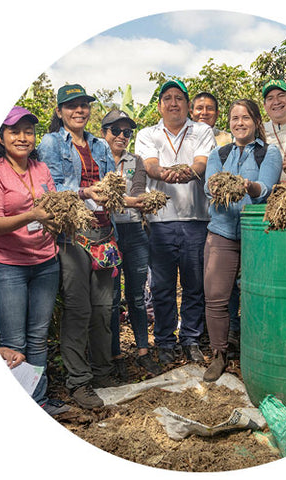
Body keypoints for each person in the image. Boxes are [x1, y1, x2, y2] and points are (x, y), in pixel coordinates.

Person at [38, 84, 125, 409]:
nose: (79, 111)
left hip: (104, 234)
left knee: (104, 309)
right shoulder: (50, 143)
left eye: (84, 105)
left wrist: (120, 194)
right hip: (73, 235)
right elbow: (52, 187)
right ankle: (79, 382)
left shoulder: (99, 144)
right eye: (71, 106)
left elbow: (110, 182)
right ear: (60, 111)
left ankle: (103, 372)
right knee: (78, 309)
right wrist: (85, 193)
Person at [0, 105, 65, 416]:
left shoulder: (40, 169)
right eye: (15, 131)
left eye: (28, 131)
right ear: (1, 137)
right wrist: (31, 215)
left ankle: (39, 402)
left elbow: (53, 205)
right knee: (14, 344)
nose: (23, 137)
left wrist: (56, 219)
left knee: (38, 337)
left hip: (45, 263)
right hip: (8, 267)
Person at [135, 79, 216, 365]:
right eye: (167, 98)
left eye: (179, 98)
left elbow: (201, 164)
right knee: (162, 286)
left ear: (187, 104)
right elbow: (150, 166)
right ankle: (166, 341)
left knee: (195, 285)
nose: (173, 103)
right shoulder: (147, 134)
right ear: (159, 105)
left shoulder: (203, 130)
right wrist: (168, 173)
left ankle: (191, 339)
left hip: (196, 218)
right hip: (161, 221)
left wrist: (187, 172)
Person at [203, 99, 282, 381]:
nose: (239, 123)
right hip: (221, 232)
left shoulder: (269, 152)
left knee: (257, 297)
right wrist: (218, 186)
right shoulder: (218, 154)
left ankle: (256, 351)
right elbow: (209, 186)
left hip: (256, 235)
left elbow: (265, 189)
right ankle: (219, 354)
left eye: (245, 117)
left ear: (256, 122)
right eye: (235, 118)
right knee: (216, 297)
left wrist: (249, 186)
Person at [101, 109, 162, 376]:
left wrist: (122, 199)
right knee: (112, 298)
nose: (122, 136)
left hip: (135, 232)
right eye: (116, 131)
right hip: (107, 235)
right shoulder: (96, 158)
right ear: (104, 132)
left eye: (127, 132)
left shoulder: (135, 161)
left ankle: (142, 351)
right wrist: (127, 200)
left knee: (137, 296)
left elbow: (137, 192)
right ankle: (115, 355)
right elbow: (101, 195)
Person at [190, 92, 240, 350]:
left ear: (218, 114)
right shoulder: (186, 137)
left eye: (210, 108)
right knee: (203, 281)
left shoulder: (227, 140)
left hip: (222, 218)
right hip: (193, 215)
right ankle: (203, 332)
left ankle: (230, 330)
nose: (204, 113)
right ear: (191, 111)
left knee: (225, 281)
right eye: (199, 108)